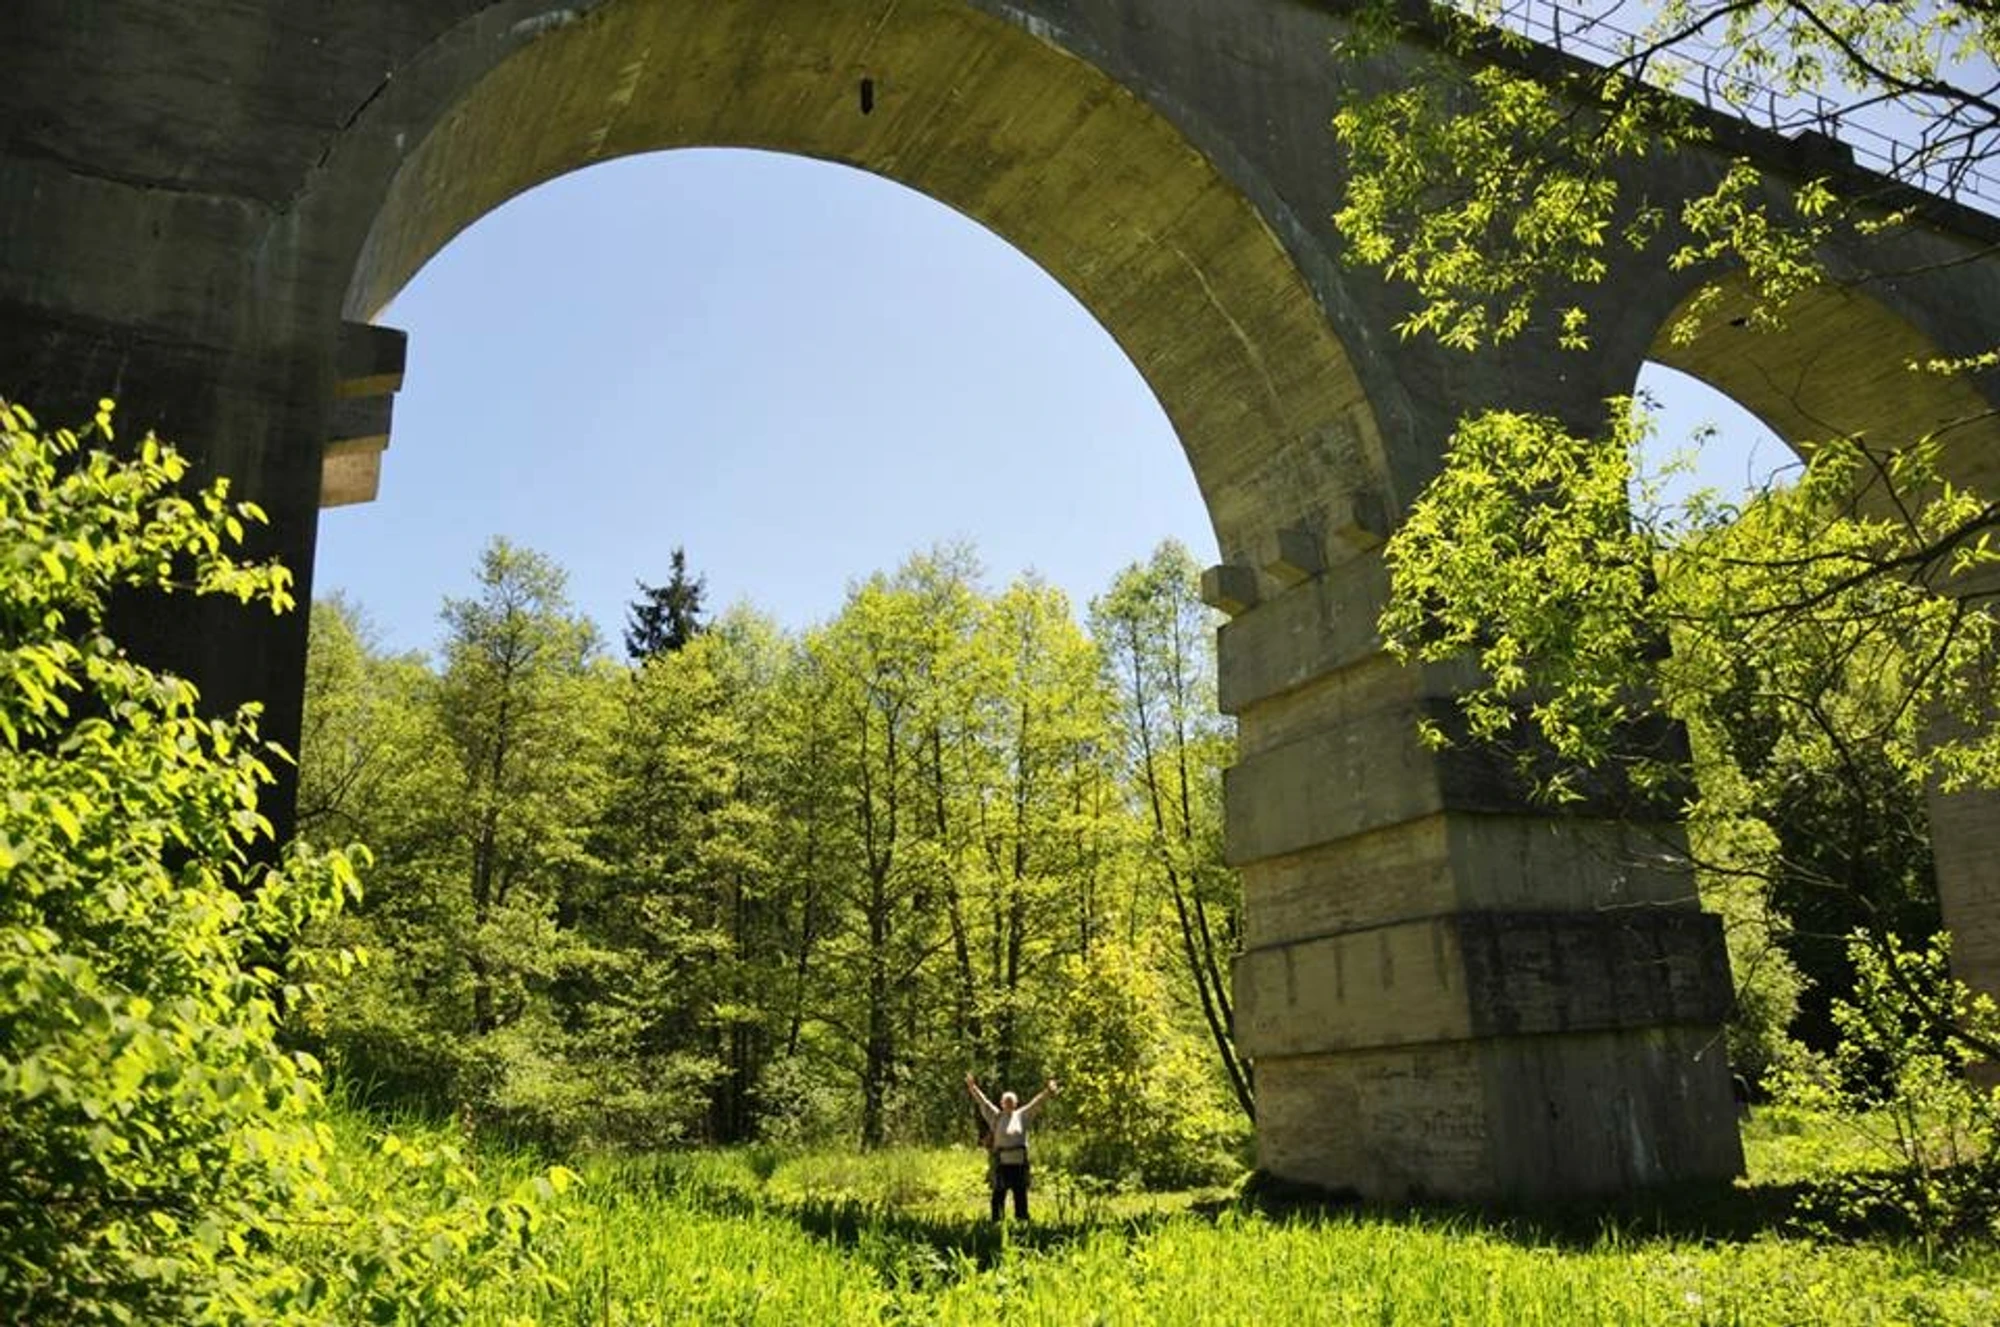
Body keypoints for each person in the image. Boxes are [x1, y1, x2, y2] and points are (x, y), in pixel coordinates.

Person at [965, 1071, 1057, 1221]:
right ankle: (997, 1219)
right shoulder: (995, 1116)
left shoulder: (1022, 1115)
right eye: (1006, 1101)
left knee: (1020, 1192)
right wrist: (972, 1087)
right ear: (1001, 1103)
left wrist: (1048, 1091)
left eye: (1011, 1101)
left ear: (1016, 1103)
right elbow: (983, 1102)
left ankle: (1022, 1218)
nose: (1008, 1104)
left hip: (1019, 1162)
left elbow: (1036, 1103)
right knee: (999, 1193)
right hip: (1002, 1163)